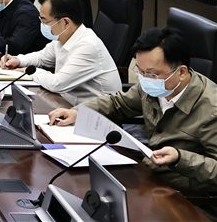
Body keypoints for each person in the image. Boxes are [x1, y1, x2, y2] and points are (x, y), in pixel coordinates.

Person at [48, 27, 217, 213]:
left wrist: (180, 158)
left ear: (182, 72)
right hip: (148, 176)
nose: (145, 80)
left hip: (183, 196)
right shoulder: (155, 85)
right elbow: (119, 103)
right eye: (140, 72)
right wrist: (77, 112)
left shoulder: (212, 109)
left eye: (152, 74)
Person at [0, 0, 121, 104]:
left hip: (96, 113)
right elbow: (41, 57)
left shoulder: (88, 46)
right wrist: (18, 60)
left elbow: (56, 84)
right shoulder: (63, 36)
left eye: (45, 21)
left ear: (66, 22)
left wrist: (32, 71)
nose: (42, 25)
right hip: (68, 104)